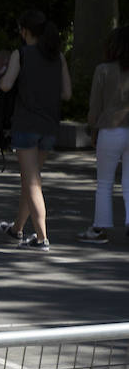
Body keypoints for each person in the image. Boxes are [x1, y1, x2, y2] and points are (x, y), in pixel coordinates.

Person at [0, 10, 72, 250]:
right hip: (50, 124)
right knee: (32, 179)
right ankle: (17, 228)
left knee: (31, 181)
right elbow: (67, 93)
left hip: (26, 123)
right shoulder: (58, 57)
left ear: (25, 31)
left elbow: (6, 85)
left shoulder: (22, 54)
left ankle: (41, 237)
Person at [78, 26, 129, 243]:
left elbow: (95, 106)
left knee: (105, 182)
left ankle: (100, 228)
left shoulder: (104, 70)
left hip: (110, 128)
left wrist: (93, 129)